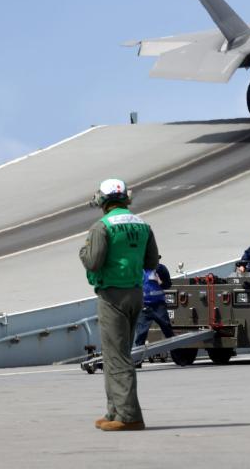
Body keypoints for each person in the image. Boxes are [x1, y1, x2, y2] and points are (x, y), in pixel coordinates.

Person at [79, 178, 158, 432]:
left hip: (112, 295)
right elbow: (152, 263)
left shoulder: (101, 227)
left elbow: (93, 262)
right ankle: (113, 410)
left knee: (118, 356)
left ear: (103, 200)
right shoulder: (143, 224)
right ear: (126, 198)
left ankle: (129, 416)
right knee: (116, 353)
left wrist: (83, 251)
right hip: (135, 293)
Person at [133, 256, 175, 348]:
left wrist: (159, 281)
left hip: (158, 305)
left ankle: (176, 353)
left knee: (167, 328)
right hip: (144, 306)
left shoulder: (161, 269)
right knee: (141, 334)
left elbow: (168, 285)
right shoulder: (137, 270)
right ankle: (137, 361)